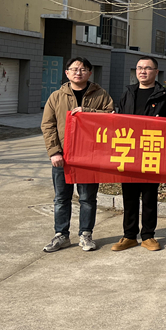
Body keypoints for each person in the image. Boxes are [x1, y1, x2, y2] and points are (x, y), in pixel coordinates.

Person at [41, 57, 114, 253]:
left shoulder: (101, 95)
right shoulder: (56, 97)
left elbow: (111, 117)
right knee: (61, 198)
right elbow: (48, 126)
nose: (78, 72)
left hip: (90, 156)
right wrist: (54, 152)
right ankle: (61, 235)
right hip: (63, 156)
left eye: (83, 69)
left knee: (87, 198)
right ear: (67, 73)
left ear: (90, 72)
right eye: (74, 69)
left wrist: (87, 111)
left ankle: (86, 234)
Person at [111, 56, 166, 252]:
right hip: (129, 150)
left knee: (149, 196)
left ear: (156, 72)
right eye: (139, 68)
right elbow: (120, 120)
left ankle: (148, 236)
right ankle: (129, 236)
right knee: (129, 196)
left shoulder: (164, 95)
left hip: (152, 150)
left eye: (147, 68)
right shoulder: (128, 93)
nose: (142, 71)